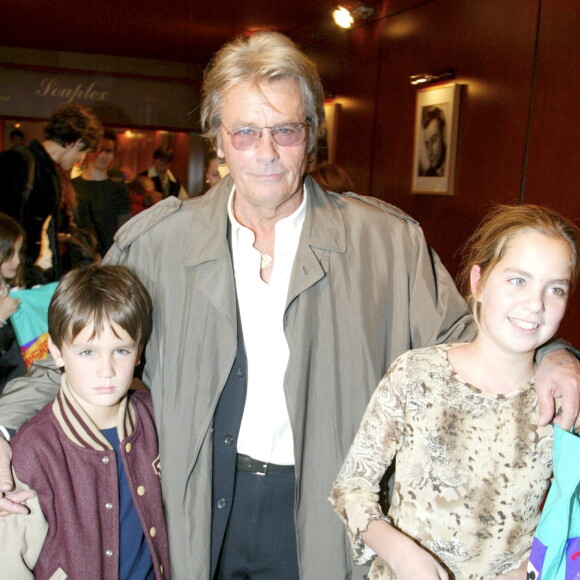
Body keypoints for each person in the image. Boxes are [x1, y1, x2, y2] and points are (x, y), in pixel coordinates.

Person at [0, 32, 579, 580]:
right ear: (218, 138)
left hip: (324, 513)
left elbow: (471, 338)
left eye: (286, 130)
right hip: (193, 505)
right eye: (246, 132)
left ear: (313, 134)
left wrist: (555, 355)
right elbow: (73, 357)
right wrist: (3, 429)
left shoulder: (385, 245)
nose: (267, 153)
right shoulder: (156, 245)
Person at [330, 204, 580, 580]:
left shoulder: (565, 404)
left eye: (555, 289)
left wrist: (530, 571)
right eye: (518, 280)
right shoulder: (416, 374)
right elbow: (351, 487)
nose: (535, 304)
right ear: (478, 282)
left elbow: (571, 522)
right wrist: (400, 552)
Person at [0, 264, 170, 578]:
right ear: (57, 352)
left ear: (139, 352)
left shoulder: (156, 420)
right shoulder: (33, 451)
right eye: (88, 352)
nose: (106, 369)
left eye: (120, 350)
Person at [0, 103, 103, 280]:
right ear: (77, 142)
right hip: (14, 272)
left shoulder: (50, 171)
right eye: (84, 152)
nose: (80, 160)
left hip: (31, 271)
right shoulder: (17, 162)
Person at [72, 129, 131, 255]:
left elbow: (125, 231)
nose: (103, 155)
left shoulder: (119, 189)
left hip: (110, 260)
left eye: (109, 151)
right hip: (77, 259)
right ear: (89, 151)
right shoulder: (72, 186)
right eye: (99, 149)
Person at [0, 213, 26, 393]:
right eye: (9, 254)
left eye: (19, 252)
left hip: (27, 389)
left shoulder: (16, 286)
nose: (17, 261)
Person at [419, 105, 447, 177]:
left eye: (433, 140)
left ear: (443, 134)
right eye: (427, 144)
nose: (429, 152)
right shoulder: (427, 175)